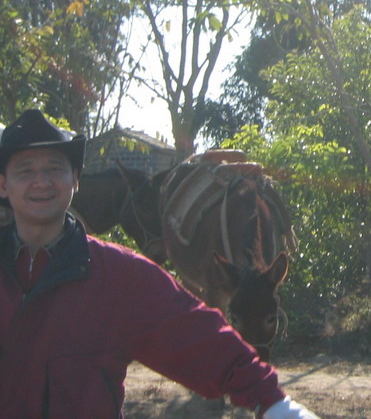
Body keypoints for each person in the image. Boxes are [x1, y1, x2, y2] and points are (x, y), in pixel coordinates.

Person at [0, 109, 320, 418]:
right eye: (25, 171)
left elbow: (197, 336)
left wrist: (276, 405)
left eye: (55, 169)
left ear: (76, 179)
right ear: (3, 184)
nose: (41, 182)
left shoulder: (120, 275)